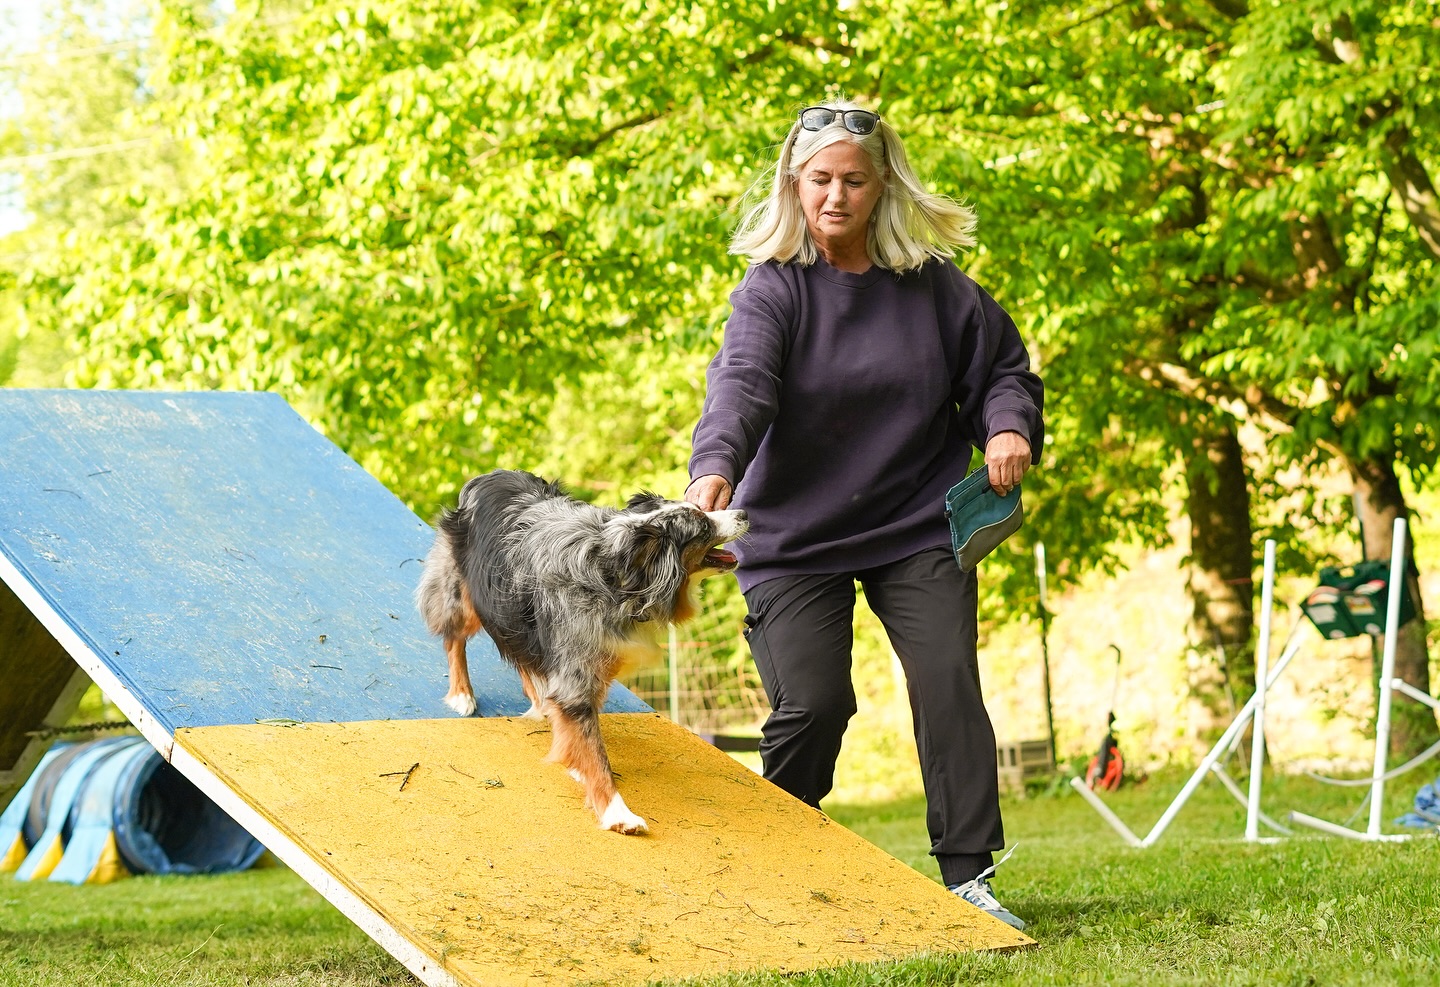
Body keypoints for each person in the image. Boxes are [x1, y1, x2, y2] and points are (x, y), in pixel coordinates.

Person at [685, 100, 1044, 930]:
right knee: (813, 703)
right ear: (794, 184)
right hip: (794, 536)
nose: (835, 196)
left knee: (947, 678)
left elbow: (1004, 370)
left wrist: (1006, 424)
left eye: (853, 180)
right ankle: (780, 854)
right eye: (819, 180)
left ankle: (967, 877)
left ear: (883, 187)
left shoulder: (935, 290)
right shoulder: (774, 290)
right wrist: (713, 475)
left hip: (914, 525)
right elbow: (742, 386)